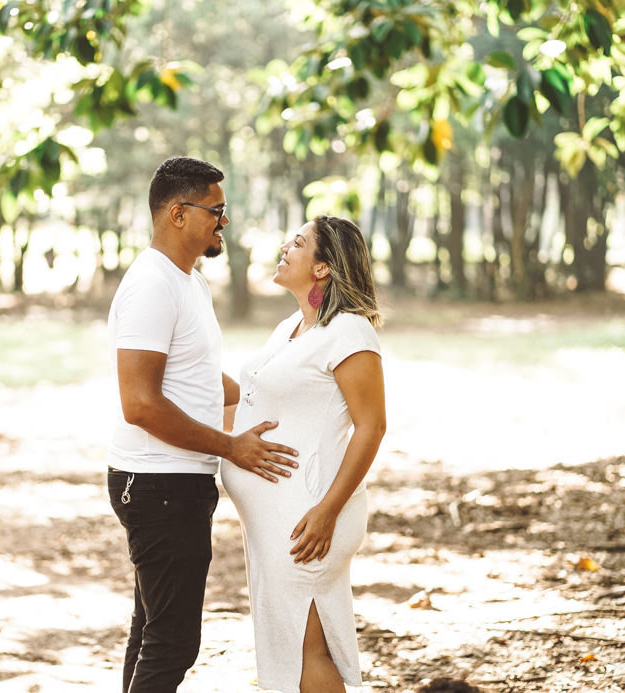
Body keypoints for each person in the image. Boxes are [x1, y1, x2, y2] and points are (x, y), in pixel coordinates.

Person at [106, 156, 300, 693]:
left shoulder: (187, 281)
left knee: (151, 631)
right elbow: (140, 404)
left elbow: (195, 376)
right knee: (173, 640)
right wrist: (230, 447)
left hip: (173, 481)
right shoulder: (152, 285)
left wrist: (271, 397)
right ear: (177, 213)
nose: (224, 221)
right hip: (158, 482)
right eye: (216, 210)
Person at [221, 215, 387, 693]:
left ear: (322, 269)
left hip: (310, 519)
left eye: (298, 243)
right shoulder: (292, 326)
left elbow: (371, 426)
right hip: (279, 522)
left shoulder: (350, 333)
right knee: (290, 648)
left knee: (307, 649)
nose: (285, 247)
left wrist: (327, 511)